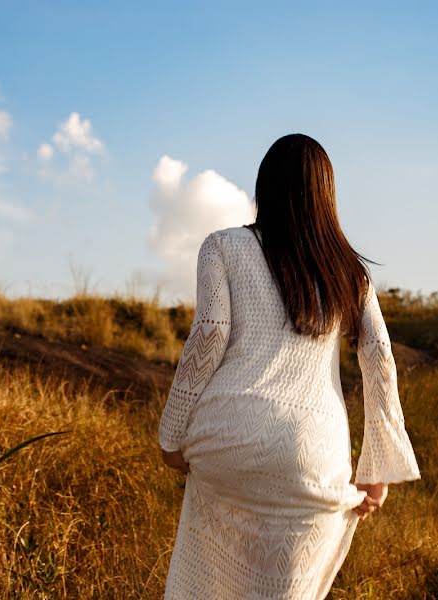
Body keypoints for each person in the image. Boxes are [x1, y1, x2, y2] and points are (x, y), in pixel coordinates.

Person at [158, 133, 421, 599]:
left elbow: (210, 333)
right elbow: (379, 355)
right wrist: (377, 466)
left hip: (226, 436)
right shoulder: (350, 272)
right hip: (311, 451)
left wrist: (171, 435)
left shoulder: (222, 247)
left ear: (264, 189)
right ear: (327, 196)